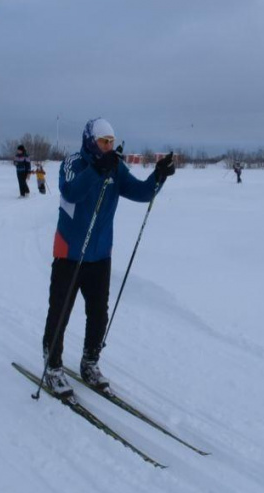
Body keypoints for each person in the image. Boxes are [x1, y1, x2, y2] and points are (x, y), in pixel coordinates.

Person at [40, 118, 176, 397]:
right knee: (60, 312)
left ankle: (90, 362)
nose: (108, 146)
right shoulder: (73, 162)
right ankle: (53, 366)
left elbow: (141, 192)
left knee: (98, 314)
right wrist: (95, 170)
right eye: (104, 141)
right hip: (69, 252)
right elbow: (71, 191)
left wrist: (158, 177)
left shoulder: (116, 167)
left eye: (112, 142)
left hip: (100, 254)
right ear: (91, 140)